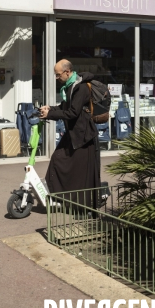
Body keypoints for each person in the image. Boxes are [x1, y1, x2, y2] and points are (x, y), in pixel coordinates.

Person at [40, 59, 100, 205]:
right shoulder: (70, 86)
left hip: (83, 136)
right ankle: (60, 198)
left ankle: (83, 207)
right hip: (74, 133)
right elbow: (65, 106)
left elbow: (73, 112)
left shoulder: (80, 88)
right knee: (57, 159)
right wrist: (51, 109)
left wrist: (50, 115)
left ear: (67, 72)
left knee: (81, 173)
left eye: (58, 74)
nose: (56, 77)